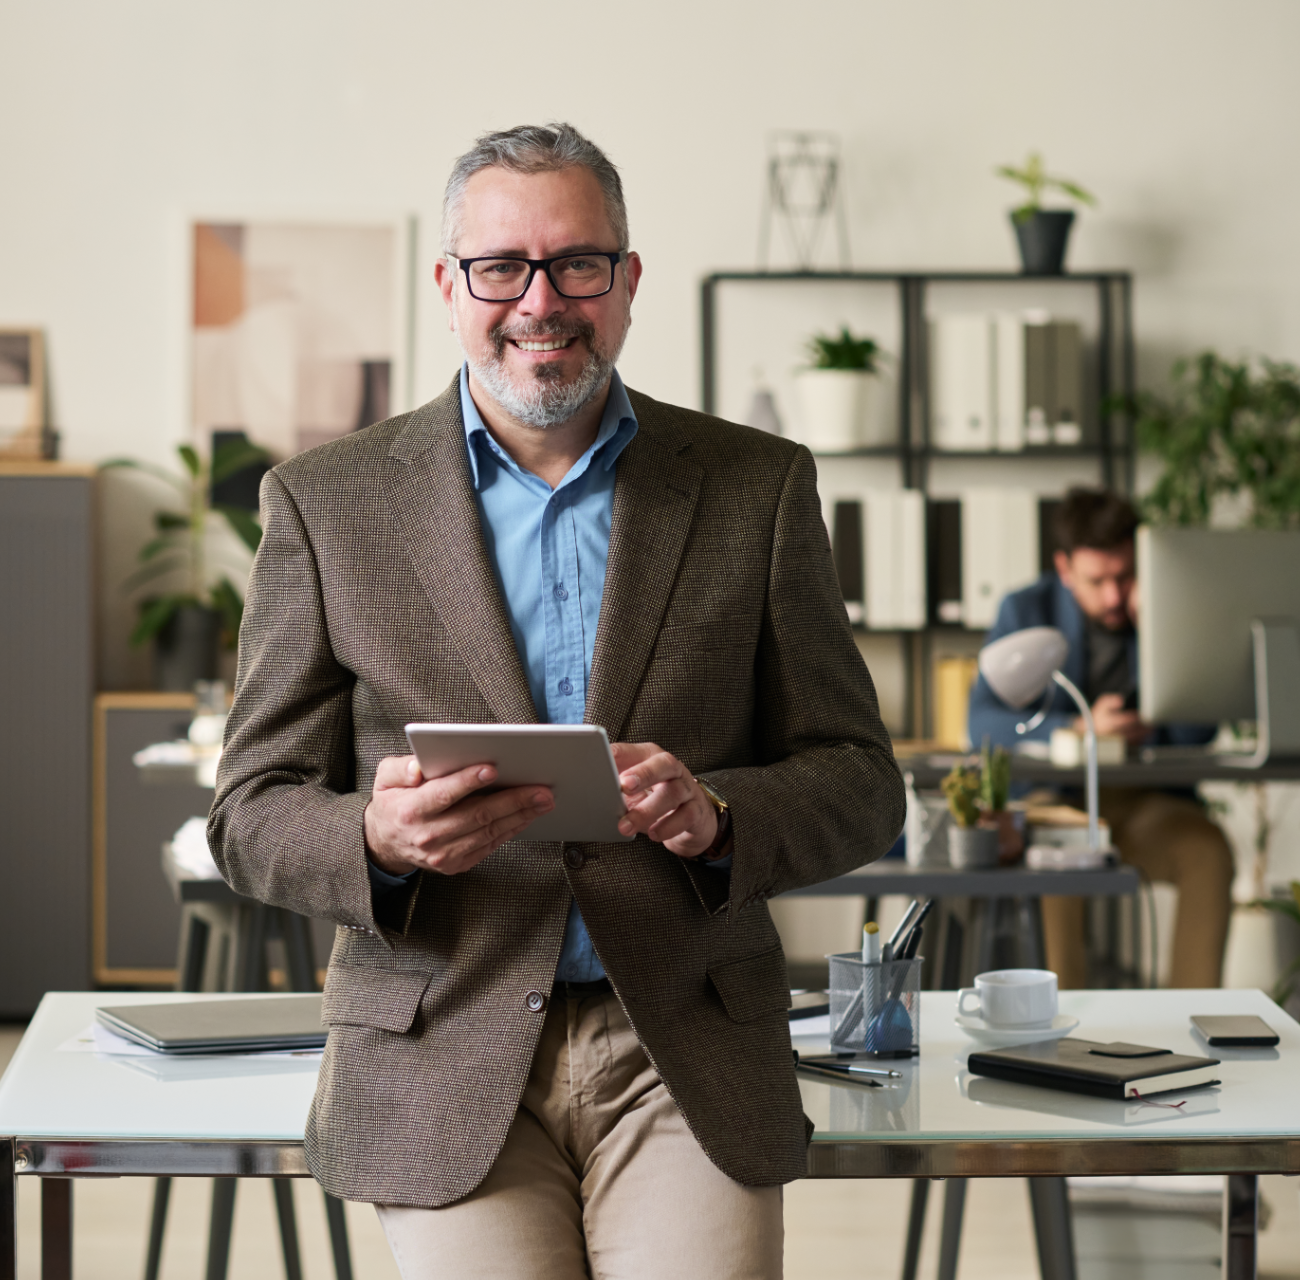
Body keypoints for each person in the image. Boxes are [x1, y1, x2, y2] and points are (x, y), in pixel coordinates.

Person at [207, 123, 903, 1280]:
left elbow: (861, 777)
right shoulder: (325, 503)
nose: (542, 300)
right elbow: (248, 811)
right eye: (502, 268)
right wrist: (373, 837)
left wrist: (719, 817)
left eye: (579, 263)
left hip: (683, 1041)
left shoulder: (757, 487)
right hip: (442, 1042)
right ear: (449, 286)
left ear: (628, 282)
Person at [968, 487, 1232, 989]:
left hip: (1148, 803)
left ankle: (1190, 1017)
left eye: (1125, 576)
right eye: (1097, 580)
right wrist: (1074, 730)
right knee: (1053, 858)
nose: (1113, 596)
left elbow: (1201, 731)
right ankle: (1062, 1027)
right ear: (1064, 569)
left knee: (1208, 851)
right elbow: (980, 722)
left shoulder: (1166, 611)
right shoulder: (1026, 609)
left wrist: (1157, 624)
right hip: (1061, 803)